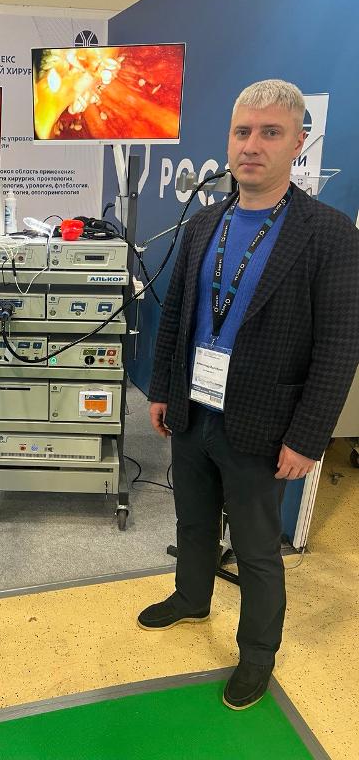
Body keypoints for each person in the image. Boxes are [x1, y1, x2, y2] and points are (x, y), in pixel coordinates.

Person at [138, 80, 359, 710]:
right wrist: (163, 388)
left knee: (259, 550)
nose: (252, 146)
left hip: (266, 424)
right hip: (193, 411)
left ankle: (258, 653)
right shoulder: (205, 221)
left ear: (298, 144)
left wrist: (308, 437)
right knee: (193, 520)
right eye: (242, 132)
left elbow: (339, 346)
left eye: (270, 133)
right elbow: (177, 312)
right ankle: (191, 597)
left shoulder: (329, 234)